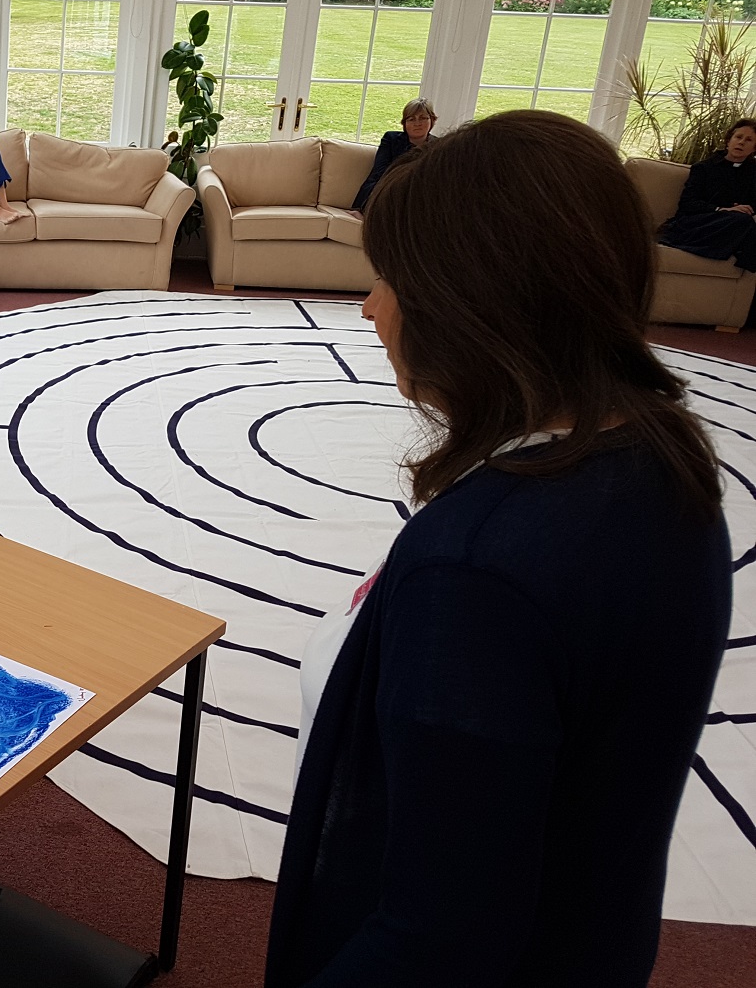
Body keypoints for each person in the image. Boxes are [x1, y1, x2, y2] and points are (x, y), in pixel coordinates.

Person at [266, 110, 731, 987]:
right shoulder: (666, 456)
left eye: (392, 279)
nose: (370, 307)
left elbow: (441, 936)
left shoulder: (476, 572)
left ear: (470, 304)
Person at [658, 118, 756, 269]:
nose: (741, 142)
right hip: (698, 221)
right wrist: (721, 209)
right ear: (728, 141)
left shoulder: (753, 172)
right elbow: (687, 203)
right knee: (744, 222)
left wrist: (745, 208)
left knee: (743, 221)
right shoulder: (704, 168)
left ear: (754, 149)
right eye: (738, 137)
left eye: (749, 140)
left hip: (730, 223)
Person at [350, 98, 438, 214]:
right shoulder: (391, 139)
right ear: (404, 123)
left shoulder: (438, 146)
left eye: (423, 118)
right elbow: (381, 171)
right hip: (387, 188)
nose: (417, 123)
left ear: (432, 120)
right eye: (411, 119)